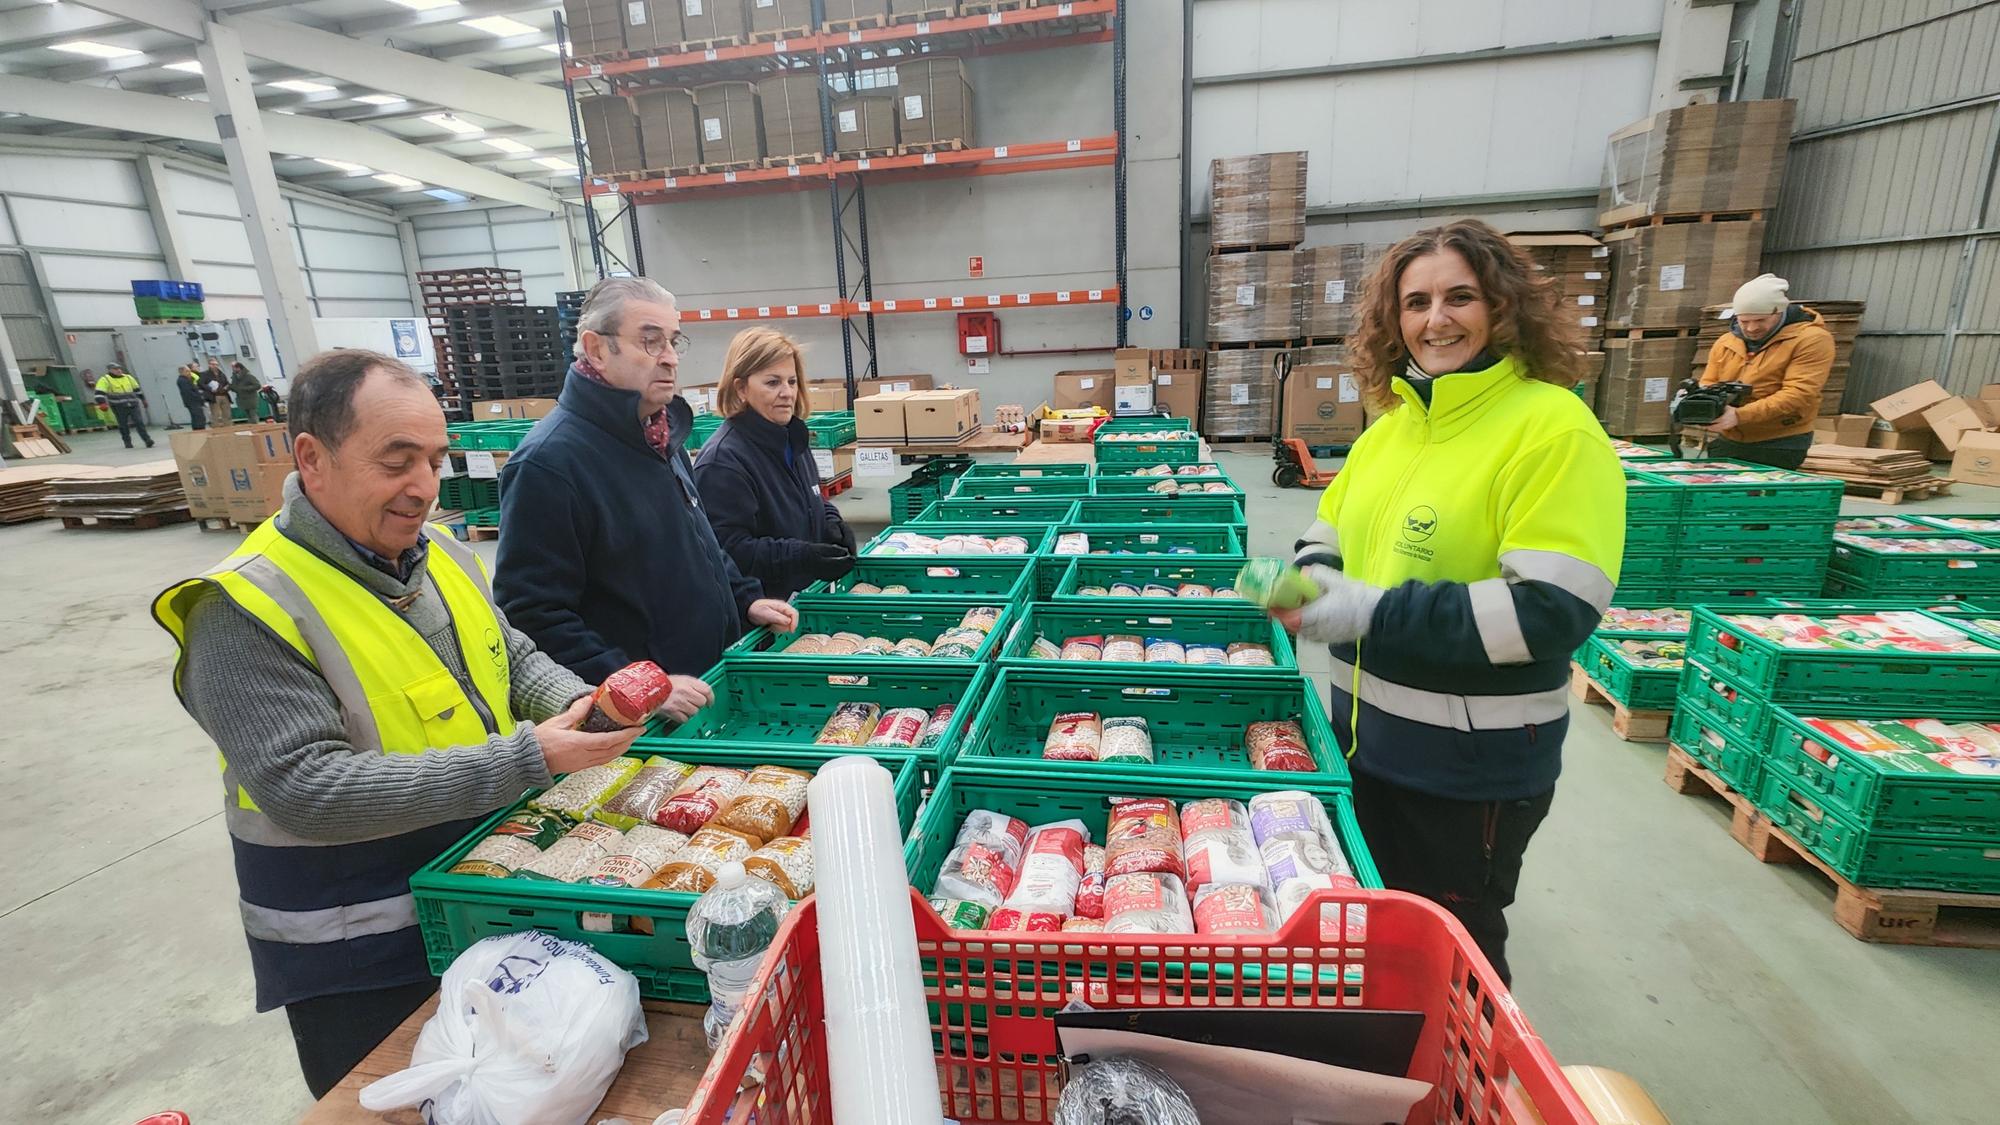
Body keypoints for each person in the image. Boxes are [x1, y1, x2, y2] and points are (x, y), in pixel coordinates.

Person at [152, 349, 642, 1098]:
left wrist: (582, 704)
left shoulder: (436, 552)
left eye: (436, 460)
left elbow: (507, 654)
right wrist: (529, 756)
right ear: (311, 458)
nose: (423, 487)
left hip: (478, 902)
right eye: (397, 461)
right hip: (358, 953)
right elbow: (303, 788)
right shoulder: (243, 606)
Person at [1276, 219, 1625, 986]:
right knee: (1375, 944)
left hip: (1468, 774)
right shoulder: (1396, 427)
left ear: (1503, 307)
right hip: (1364, 750)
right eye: (1417, 301)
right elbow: (1331, 523)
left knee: (1448, 961)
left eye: (1460, 297)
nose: (1437, 320)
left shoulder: (1552, 428)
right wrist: (1306, 574)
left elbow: (1551, 609)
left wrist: (1369, 610)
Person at [495, 277, 800, 718]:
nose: (671, 359)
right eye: (651, 341)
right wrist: (642, 687)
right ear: (596, 348)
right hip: (642, 722)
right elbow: (533, 615)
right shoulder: (549, 464)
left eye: (674, 342)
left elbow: (700, 539)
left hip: (703, 688)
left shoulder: (658, 434)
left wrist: (743, 597)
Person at [692, 328, 856, 601]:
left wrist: (831, 522)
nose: (787, 392)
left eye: (792, 381)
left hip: (804, 599)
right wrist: (801, 556)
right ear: (741, 388)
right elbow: (727, 550)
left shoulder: (791, 438)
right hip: (765, 613)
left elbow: (810, 496)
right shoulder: (724, 461)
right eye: (772, 383)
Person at [1693, 273, 1835, 469]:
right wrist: (1700, 401)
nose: (1751, 328)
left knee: (1764, 498)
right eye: (1744, 321)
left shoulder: (1811, 340)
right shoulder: (1726, 342)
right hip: (1730, 438)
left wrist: (1739, 416)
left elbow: (1798, 393)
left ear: (1779, 311)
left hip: (1779, 441)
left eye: (1760, 320)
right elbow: (1709, 381)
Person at [94, 363, 154, 448]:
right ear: (110, 370)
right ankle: (127, 442)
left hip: (133, 404)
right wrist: (102, 403)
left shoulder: (128, 378)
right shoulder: (105, 380)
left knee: (139, 422)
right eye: (115, 369)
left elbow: (137, 390)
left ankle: (147, 440)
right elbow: (99, 393)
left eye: (119, 368)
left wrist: (143, 399)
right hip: (118, 406)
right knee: (123, 425)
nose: (119, 370)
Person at [176, 364, 208, 430]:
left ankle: (199, 431)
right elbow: (188, 392)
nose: (189, 373)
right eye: (187, 371)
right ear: (182, 372)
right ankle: (199, 432)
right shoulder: (182, 381)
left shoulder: (187, 379)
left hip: (194, 402)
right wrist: (198, 397)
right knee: (198, 419)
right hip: (193, 402)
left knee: (199, 418)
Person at [202, 359, 232, 427]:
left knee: (227, 413)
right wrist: (210, 389)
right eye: (213, 364)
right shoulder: (205, 374)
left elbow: (227, 383)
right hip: (214, 396)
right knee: (215, 414)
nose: (215, 366)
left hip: (224, 394)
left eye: (216, 364)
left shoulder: (221, 373)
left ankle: (228, 426)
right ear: (209, 365)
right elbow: (202, 384)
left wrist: (227, 387)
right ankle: (216, 428)